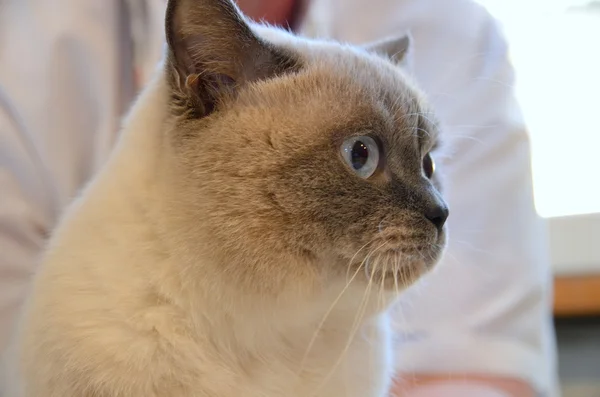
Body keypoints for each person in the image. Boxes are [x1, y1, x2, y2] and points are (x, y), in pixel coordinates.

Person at [0, 0, 558, 396]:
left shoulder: (452, 22)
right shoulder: (32, 34)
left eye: (429, 165)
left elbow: (486, 361)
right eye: (361, 155)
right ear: (208, 85)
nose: (435, 209)